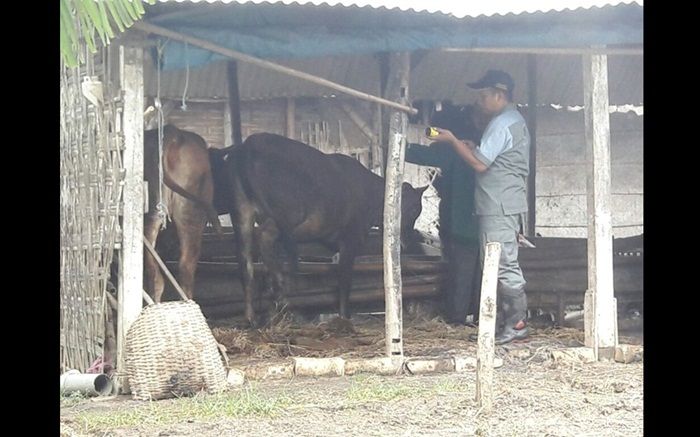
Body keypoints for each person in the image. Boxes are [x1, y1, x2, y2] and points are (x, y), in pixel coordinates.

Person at [427, 69, 530, 345]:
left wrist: (451, 140)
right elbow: (488, 155)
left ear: (499, 94)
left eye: (484, 96)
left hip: (499, 205)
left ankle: (516, 324)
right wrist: (472, 145)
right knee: (495, 263)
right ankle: (503, 323)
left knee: (504, 264)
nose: (479, 101)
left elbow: (479, 164)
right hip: (501, 204)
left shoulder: (501, 123)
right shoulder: (511, 121)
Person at [405, 103, 485, 326]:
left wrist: (398, 145)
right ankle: (481, 318)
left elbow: (419, 154)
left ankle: (458, 319)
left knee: (460, 273)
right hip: (482, 221)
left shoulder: (452, 149)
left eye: (435, 131)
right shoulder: (478, 146)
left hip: (461, 224)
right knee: (481, 274)